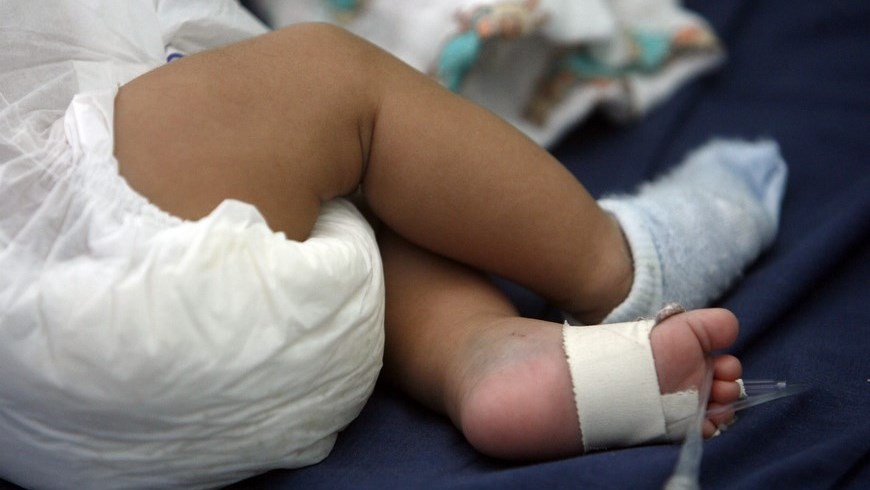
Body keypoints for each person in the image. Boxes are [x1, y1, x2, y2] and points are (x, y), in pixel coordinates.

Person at [0, 2, 786, 488]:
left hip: (45, 432)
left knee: (326, 179)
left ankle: (487, 354)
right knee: (330, 86)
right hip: (75, 261)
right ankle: (616, 262)